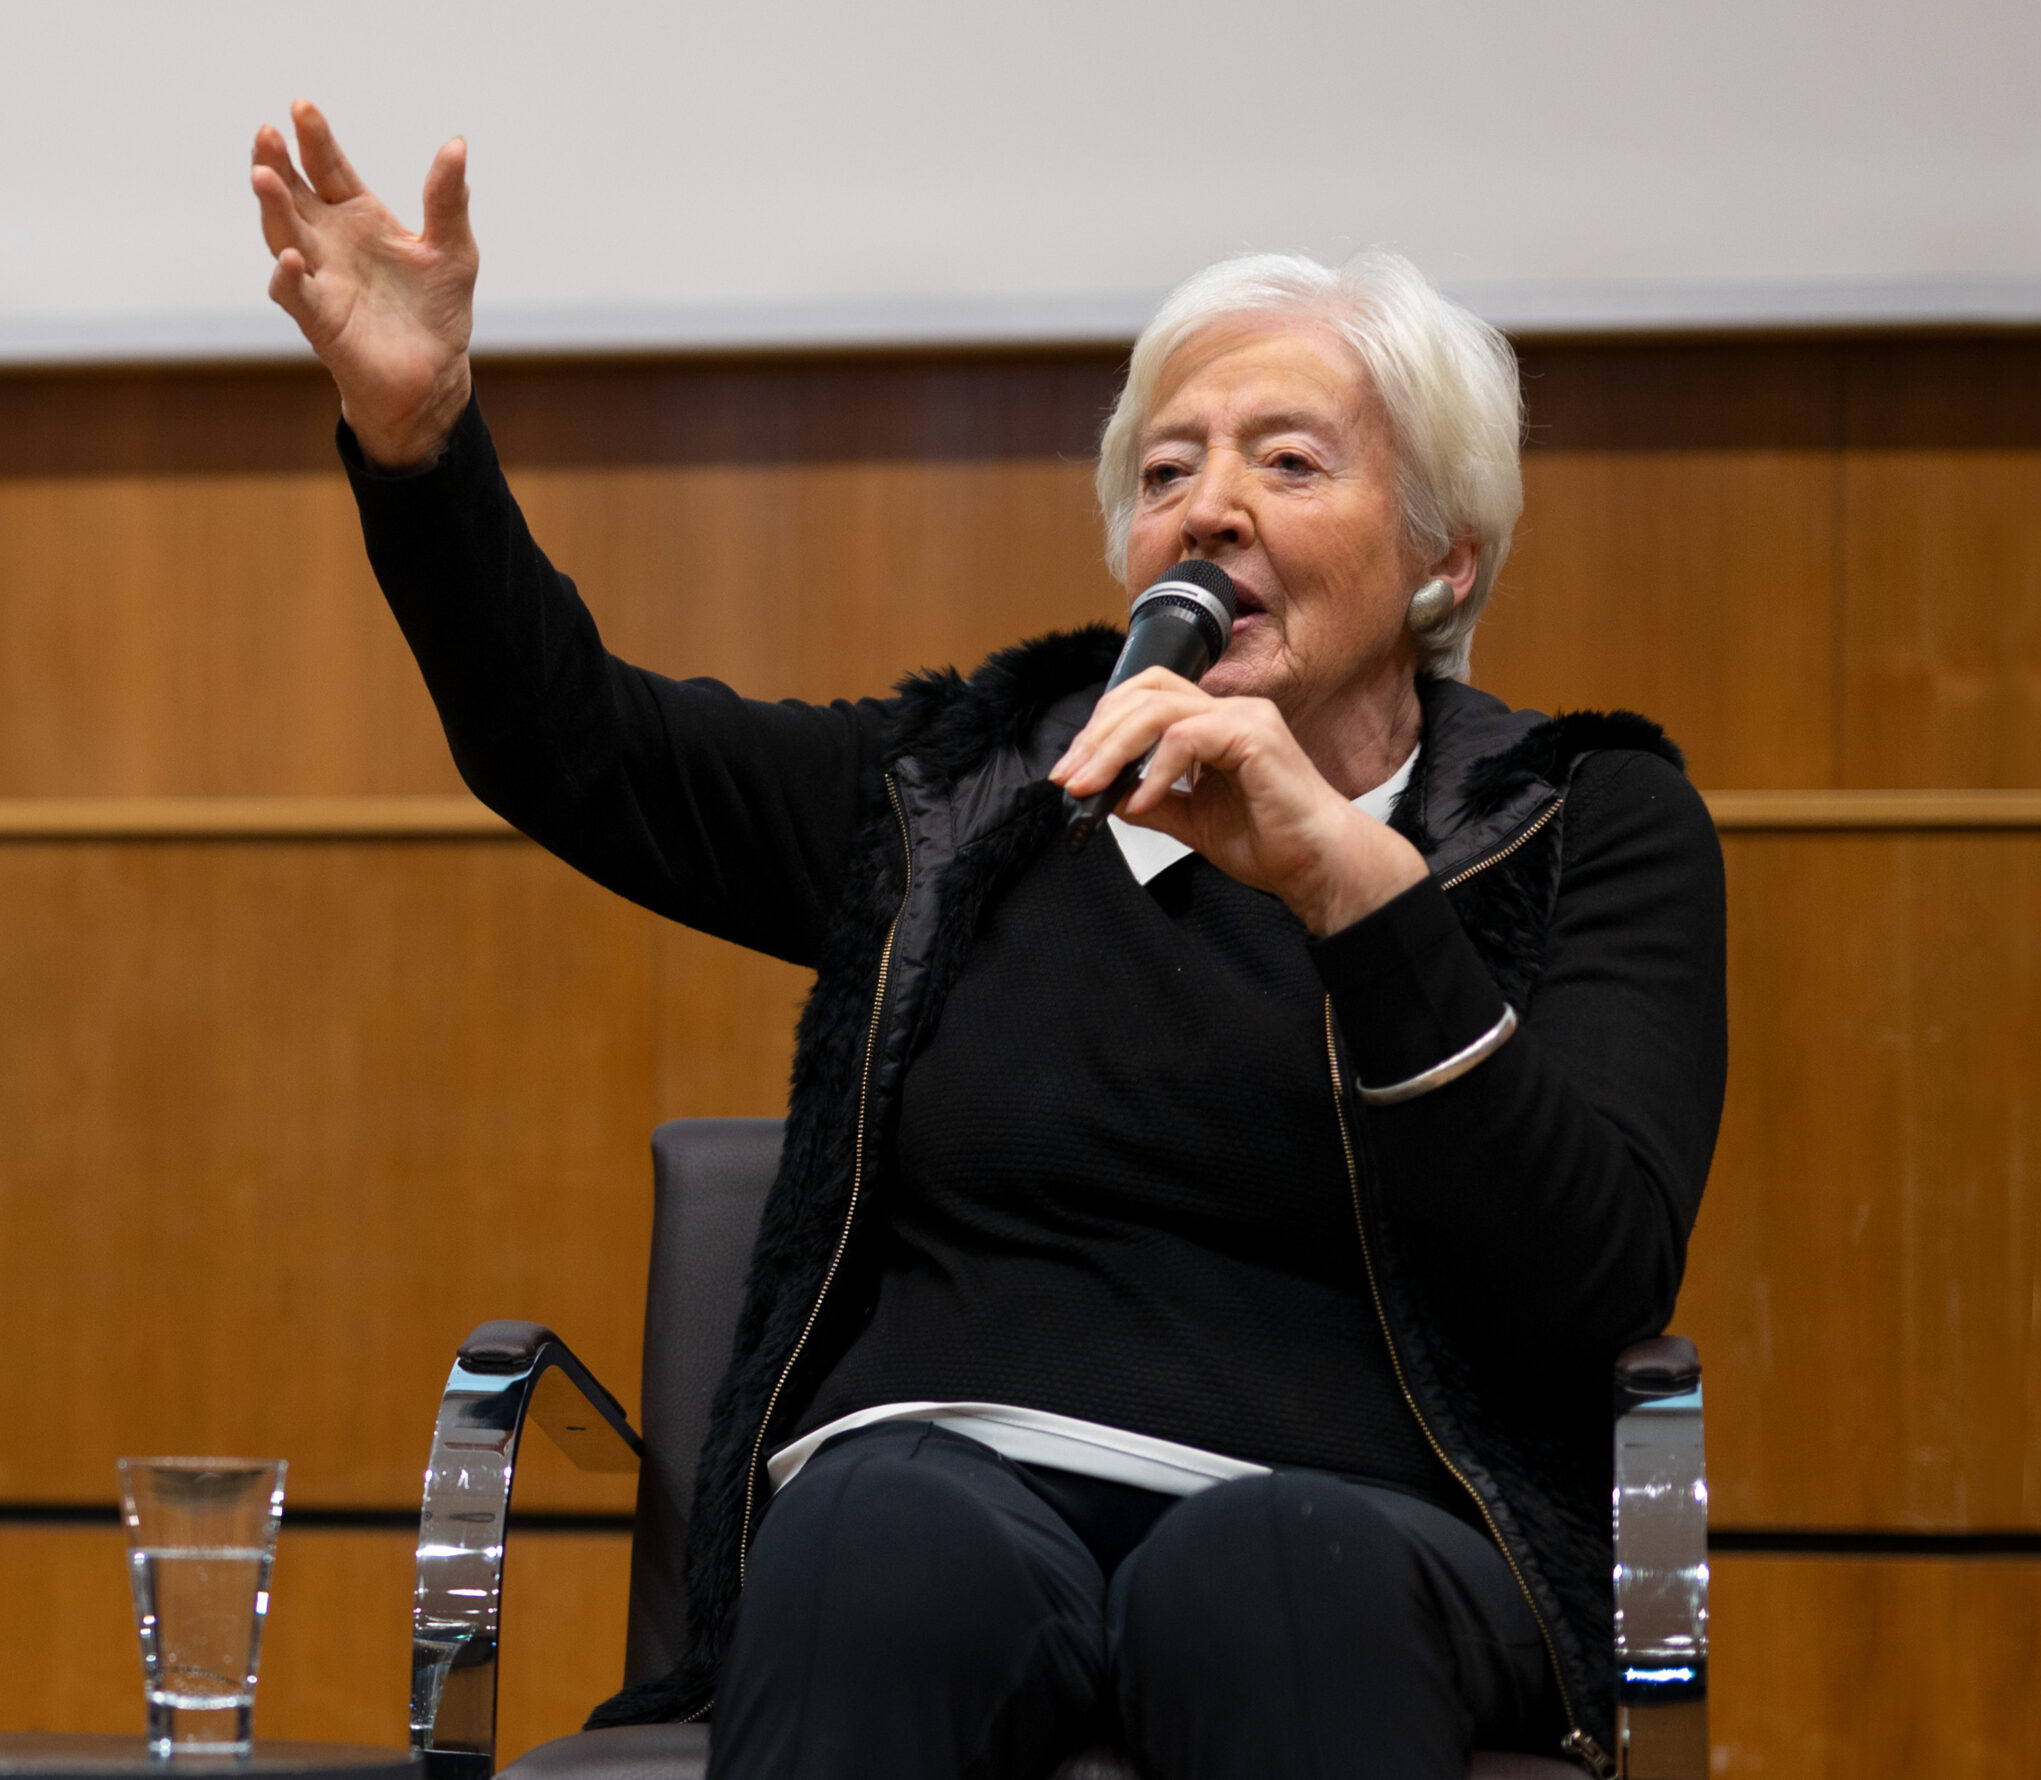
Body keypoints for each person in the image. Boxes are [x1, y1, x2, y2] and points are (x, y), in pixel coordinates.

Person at [252, 102, 1725, 1780]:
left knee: (1267, 1576)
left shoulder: (1573, 821)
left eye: (1289, 463)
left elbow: (1591, 1275)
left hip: (1366, 1532)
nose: (1207, 510)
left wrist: (1350, 889)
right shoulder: (962, 793)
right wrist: (423, 440)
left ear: (1442, 564)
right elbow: (571, 746)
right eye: (1165, 472)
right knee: (880, 1536)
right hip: (937, 1495)